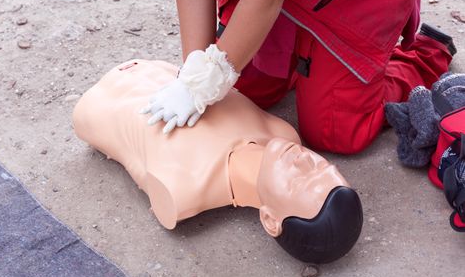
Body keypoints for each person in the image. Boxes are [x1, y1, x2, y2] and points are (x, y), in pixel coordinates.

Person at [142, 0, 456, 154]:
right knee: (243, 94)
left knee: (335, 132)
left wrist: (203, 83)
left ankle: (425, 53)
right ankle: (304, 57)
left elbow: (265, 1)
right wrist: (193, 77)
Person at [72, 59, 363, 263]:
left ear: (270, 220)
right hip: (153, 67)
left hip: (99, 99)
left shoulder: (182, 191)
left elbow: (127, 151)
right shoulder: (282, 134)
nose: (305, 160)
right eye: (322, 165)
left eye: (300, 181)